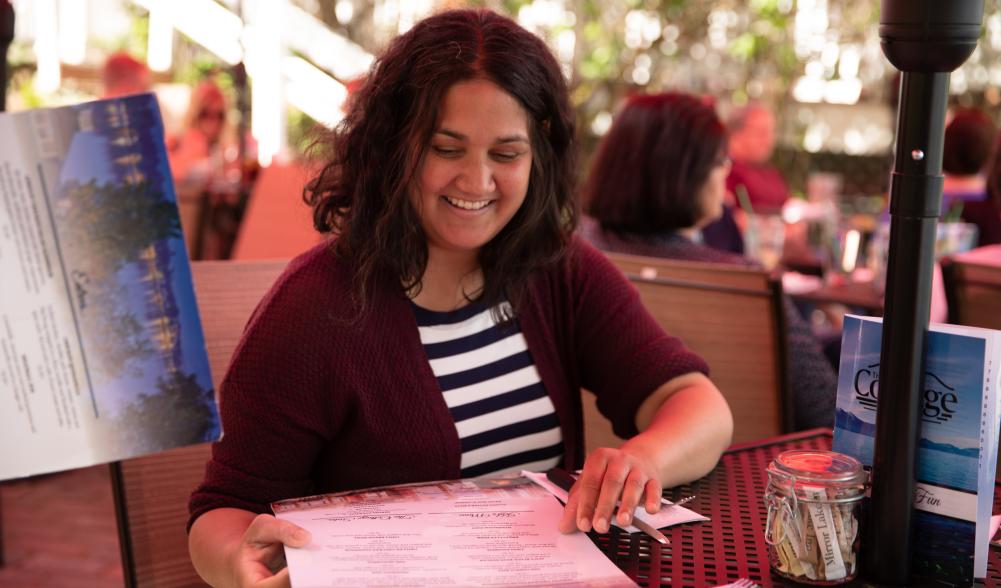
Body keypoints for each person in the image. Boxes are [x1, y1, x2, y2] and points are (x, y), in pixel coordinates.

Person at [187, 10, 732, 588]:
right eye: (447, 150)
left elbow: (697, 405)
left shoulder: (556, 268)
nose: (476, 182)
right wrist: (237, 565)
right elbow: (221, 510)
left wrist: (643, 458)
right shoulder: (316, 308)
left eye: (506, 154)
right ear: (394, 148)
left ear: (538, 156)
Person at [579, 91, 836, 431]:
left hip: (608, 466)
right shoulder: (742, 281)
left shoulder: (577, 256)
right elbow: (825, 411)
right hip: (745, 467)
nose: (726, 173)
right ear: (684, 175)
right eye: (720, 161)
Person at [167, 79, 253, 259]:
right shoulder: (182, 140)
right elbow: (174, 172)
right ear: (195, 113)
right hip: (189, 229)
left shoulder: (230, 146)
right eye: (205, 113)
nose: (212, 121)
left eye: (219, 114)